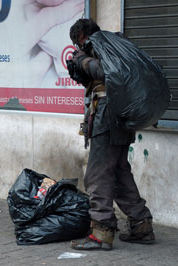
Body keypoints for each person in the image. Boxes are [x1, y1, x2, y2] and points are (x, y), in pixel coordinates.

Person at [66, 18, 155, 251]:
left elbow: (108, 72)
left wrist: (82, 61)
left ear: (84, 35)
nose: (78, 47)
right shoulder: (115, 45)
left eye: (78, 42)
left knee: (97, 175)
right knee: (118, 173)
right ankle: (141, 224)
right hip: (121, 118)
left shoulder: (99, 45)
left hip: (108, 117)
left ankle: (101, 232)